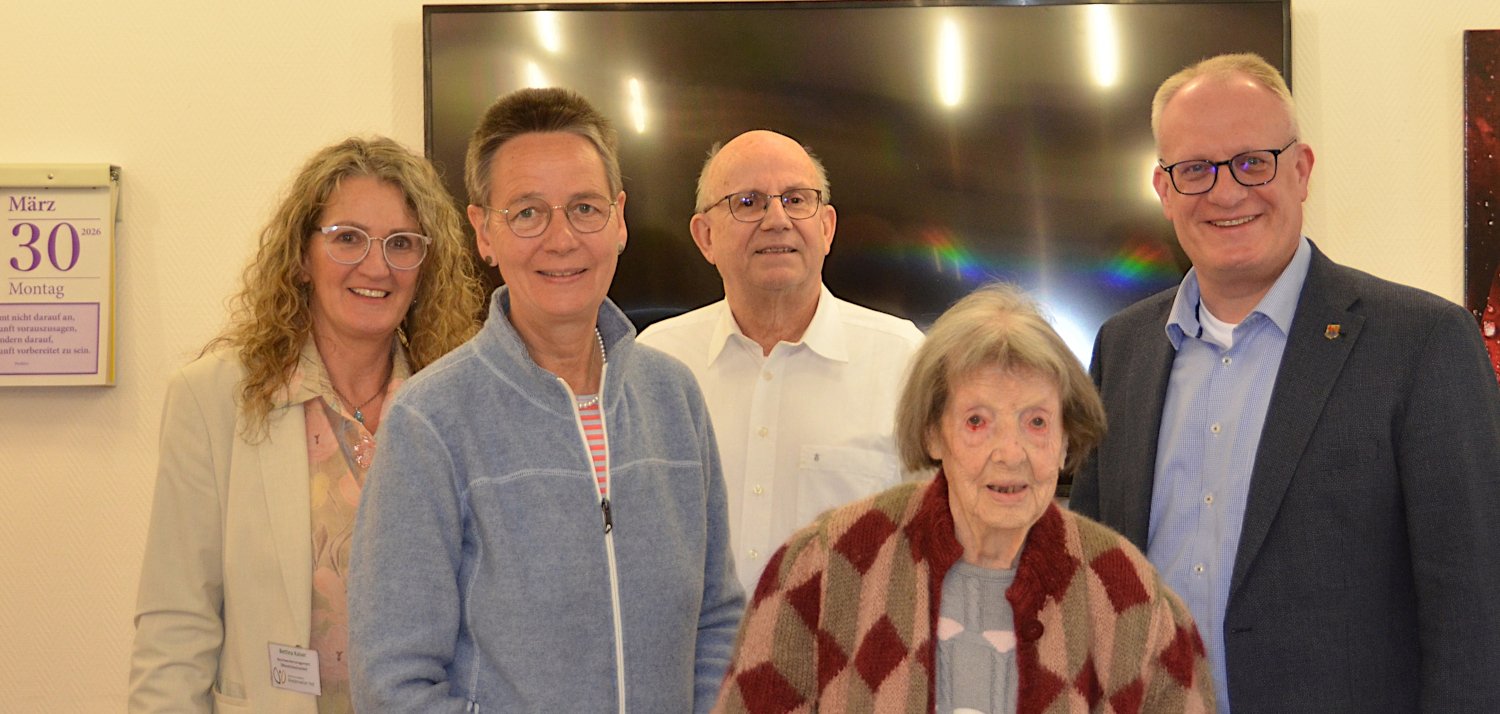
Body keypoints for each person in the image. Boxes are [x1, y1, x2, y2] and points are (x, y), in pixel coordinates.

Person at [1070, 53, 1500, 712]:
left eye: (1253, 162)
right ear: (1163, 188)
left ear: (1301, 170)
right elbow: (1093, 575)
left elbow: (1475, 610)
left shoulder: (1423, 343)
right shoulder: (1122, 348)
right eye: (1195, 169)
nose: (1225, 193)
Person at [348, 87, 744, 712]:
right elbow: (392, 685)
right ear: (484, 231)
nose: (561, 239)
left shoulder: (675, 399)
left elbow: (716, 620)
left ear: (619, 219)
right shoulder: (430, 422)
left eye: (584, 208)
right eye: (528, 212)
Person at [715, 284, 1214, 713]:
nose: (1010, 453)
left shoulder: (1127, 594)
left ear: (1066, 439)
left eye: (1036, 422)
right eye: (977, 421)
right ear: (933, 433)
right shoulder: (828, 566)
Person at [128, 136, 483, 713]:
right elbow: (176, 625)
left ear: (426, 265)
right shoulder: (214, 399)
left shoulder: (458, 403)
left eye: (401, 243)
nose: (377, 266)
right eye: (347, 238)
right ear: (300, 257)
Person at [638, 129, 925, 594]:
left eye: (795, 200)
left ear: (826, 228)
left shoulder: (903, 360)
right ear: (705, 236)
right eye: (748, 202)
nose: (777, 220)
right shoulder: (655, 362)